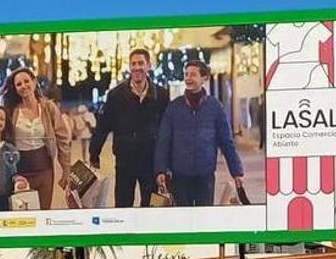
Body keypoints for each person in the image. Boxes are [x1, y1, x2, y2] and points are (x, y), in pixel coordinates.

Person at [154, 60, 244, 207]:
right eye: (186, 74)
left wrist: (237, 171)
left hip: (205, 175)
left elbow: (226, 141)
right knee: (183, 216)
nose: (188, 78)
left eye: (193, 75)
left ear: (204, 78)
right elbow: (164, 140)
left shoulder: (215, 107)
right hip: (180, 175)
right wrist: (160, 170)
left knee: (204, 215)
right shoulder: (174, 107)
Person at [88, 49, 169, 208]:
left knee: (150, 207)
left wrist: (167, 162)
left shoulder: (161, 95)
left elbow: (166, 130)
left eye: (141, 63)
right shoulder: (115, 95)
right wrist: (94, 154)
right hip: (125, 161)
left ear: (148, 66)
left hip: (151, 161)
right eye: (133, 64)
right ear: (129, 66)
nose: (137, 67)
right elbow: (103, 126)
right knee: (123, 205)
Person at [2, 68, 70, 210]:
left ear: (34, 82)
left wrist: (66, 169)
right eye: (19, 84)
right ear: (15, 89)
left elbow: (62, 139)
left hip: (44, 168)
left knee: (43, 212)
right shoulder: (11, 111)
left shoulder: (48, 107)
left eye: (26, 81)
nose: (23, 86)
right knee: (23, 214)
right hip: (20, 170)